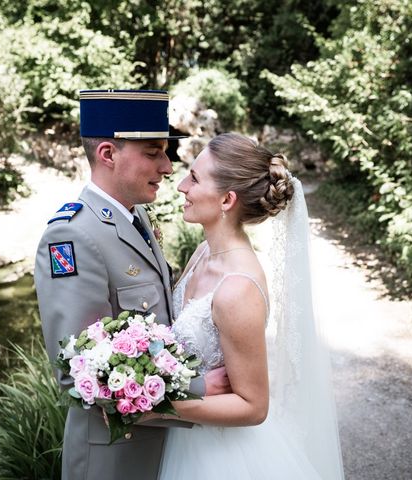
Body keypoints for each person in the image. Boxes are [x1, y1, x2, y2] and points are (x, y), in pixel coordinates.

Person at [34, 89, 230, 480]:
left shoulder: (134, 216)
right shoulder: (72, 237)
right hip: (114, 460)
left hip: (163, 447)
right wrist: (197, 386)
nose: (168, 167)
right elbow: (77, 371)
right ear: (108, 154)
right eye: (154, 152)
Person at [155, 133, 345, 479]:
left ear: (227, 200)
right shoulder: (202, 253)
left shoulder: (237, 288)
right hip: (186, 437)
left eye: (194, 178)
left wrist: (154, 408)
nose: (182, 185)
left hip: (218, 456)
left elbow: (253, 406)